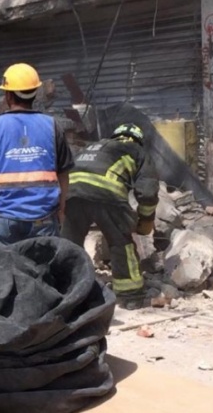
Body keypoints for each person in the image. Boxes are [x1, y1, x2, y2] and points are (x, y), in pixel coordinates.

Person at [0, 63, 74, 244]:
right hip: (44, 217)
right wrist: (61, 208)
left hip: (6, 219)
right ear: (35, 93)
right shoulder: (52, 126)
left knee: (8, 269)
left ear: (8, 95)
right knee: (44, 269)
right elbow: (63, 174)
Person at [62, 123, 159, 309]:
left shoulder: (91, 147)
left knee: (69, 245)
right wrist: (146, 220)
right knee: (120, 243)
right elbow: (147, 192)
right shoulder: (136, 151)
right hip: (107, 195)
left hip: (71, 193)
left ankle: (66, 291)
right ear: (139, 140)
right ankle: (130, 296)